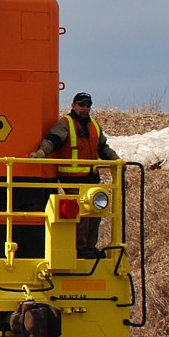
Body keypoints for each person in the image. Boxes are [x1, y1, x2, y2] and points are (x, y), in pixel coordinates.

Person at [29, 92, 120, 259]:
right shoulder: (65, 124)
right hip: (72, 178)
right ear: (73, 105)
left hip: (91, 177)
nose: (85, 108)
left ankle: (90, 246)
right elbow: (52, 141)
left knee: (96, 211)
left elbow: (103, 148)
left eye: (88, 105)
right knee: (81, 212)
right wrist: (41, 153)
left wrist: (117, 160)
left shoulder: (94, 125)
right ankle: (79, 247)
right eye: (81, 104)